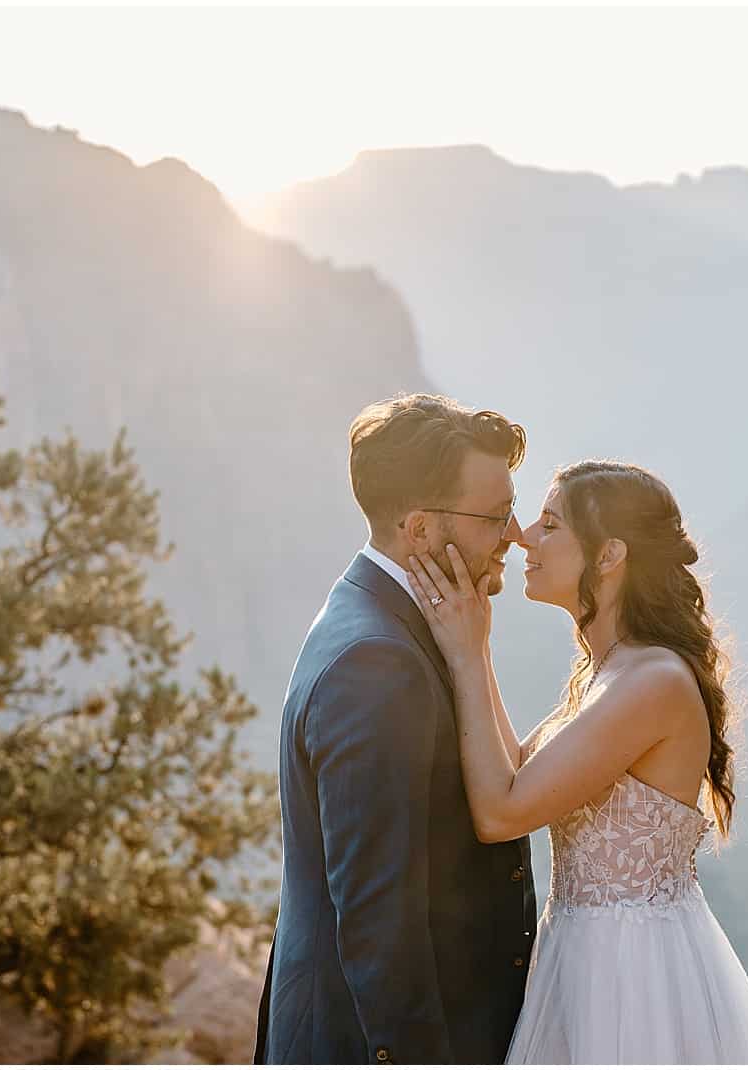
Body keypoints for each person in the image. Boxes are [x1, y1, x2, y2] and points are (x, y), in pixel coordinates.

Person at [406, 459, 748, 1064]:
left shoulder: (651, 681)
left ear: (610, 555)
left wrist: (466, 653)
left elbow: (501, 813)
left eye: (550, 524)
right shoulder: (608, 672)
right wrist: (475, 646)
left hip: (633, 977)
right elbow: (517, 769)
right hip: (584, 957)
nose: (522, 535)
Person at [254, 393, 537, 1065]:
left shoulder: (385, 618)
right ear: (418, 531)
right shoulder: (376, 666)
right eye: (496, 516)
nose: (517, 533)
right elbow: (382, 925)